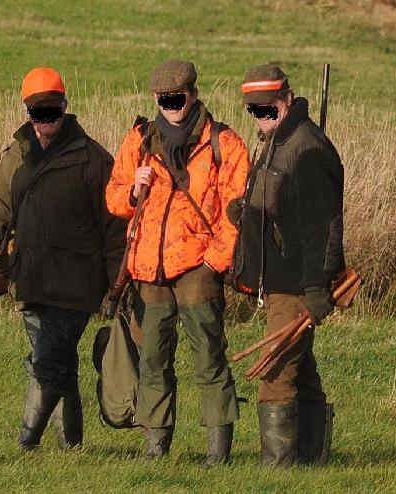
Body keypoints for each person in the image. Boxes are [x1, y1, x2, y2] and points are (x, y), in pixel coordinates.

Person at [0, 67, 126, 451]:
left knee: (47, 363)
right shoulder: (17, 153)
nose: (45, 118)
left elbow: (114, 228)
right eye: (38, 111)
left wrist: (115, 285)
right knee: (59, 363)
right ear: (28, 112)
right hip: (30, 277)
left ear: (65, 107)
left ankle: (26, 442)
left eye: (52, 110)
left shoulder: (92, 159)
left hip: (75, 281)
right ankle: (71, 445)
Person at [106, 60, 250, 463]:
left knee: (209, 357)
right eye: (163, 98)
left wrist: (213, 262)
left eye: (177, 97)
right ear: (155, 99)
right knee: (152, 360)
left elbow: (236, 213)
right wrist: (133, 192)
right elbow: (113, 198)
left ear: (193, 94)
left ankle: (218, 454)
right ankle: (155, 449)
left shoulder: (225, 144)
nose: (170, 104)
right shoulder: (138, 140)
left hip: (197, 270)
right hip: (148, 269)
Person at [231, 64, 344, 467]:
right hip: (280, 279)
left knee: (277, 369)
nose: (261, 116)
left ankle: (276, 466)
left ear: (287, 98)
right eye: (254, 110)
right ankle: (311, 458)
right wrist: (244, 213)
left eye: (267, 107)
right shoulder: (278, 139)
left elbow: (323, 229)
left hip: (296, 282)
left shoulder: (306, 147)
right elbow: (281, 204)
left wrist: (316, 287)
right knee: (302, 368)